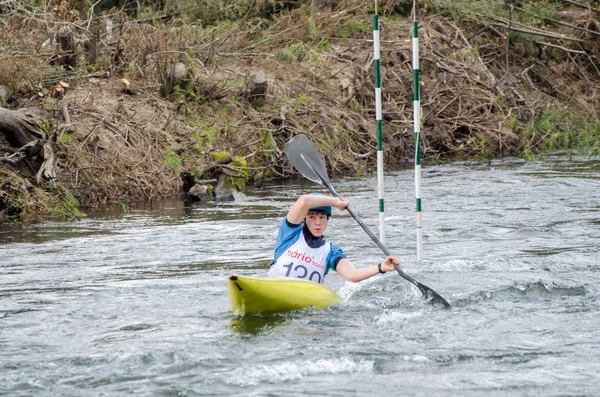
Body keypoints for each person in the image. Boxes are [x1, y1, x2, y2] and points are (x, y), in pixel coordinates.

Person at [268, 192, 401, 284]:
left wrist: (381, 267)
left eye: (322, 217)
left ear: (327, 220)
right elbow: (304, 201)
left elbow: (352, 275)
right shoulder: (289, 233)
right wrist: (335, 203)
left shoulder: (330, 251)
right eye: (312, 217)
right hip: (274, 286)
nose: (318, 222)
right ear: (304, 219)